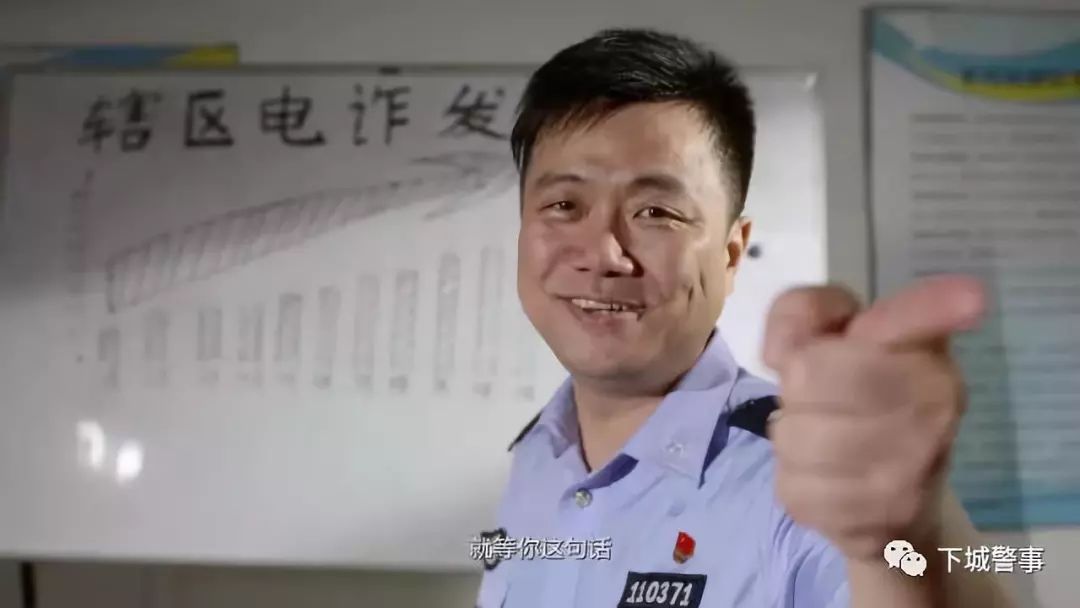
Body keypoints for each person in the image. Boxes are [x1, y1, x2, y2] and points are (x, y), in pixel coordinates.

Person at [476, 28, 1013, 607]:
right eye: (563, 205)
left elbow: (902, 571)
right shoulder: (538, 455)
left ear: (731, 253)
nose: (604, 253)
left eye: (655, 211)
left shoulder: (810, 475)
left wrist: (901, 548)